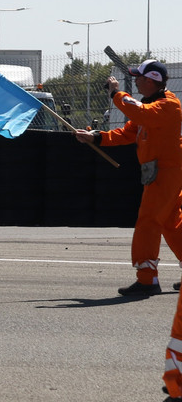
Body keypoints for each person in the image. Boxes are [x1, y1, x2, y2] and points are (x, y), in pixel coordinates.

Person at [75, 60, 182, 299]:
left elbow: (138, 112)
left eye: (139, 77)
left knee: (148, 222)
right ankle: (148, 277)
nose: (135, 81)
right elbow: (128, 132)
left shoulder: (168, 105)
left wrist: (116, 93)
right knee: (170, 222)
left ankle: (147, 279)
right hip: (159, 171)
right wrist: (95, 137)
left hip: (166, 171)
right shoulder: (152, 105)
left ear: (151, 80)